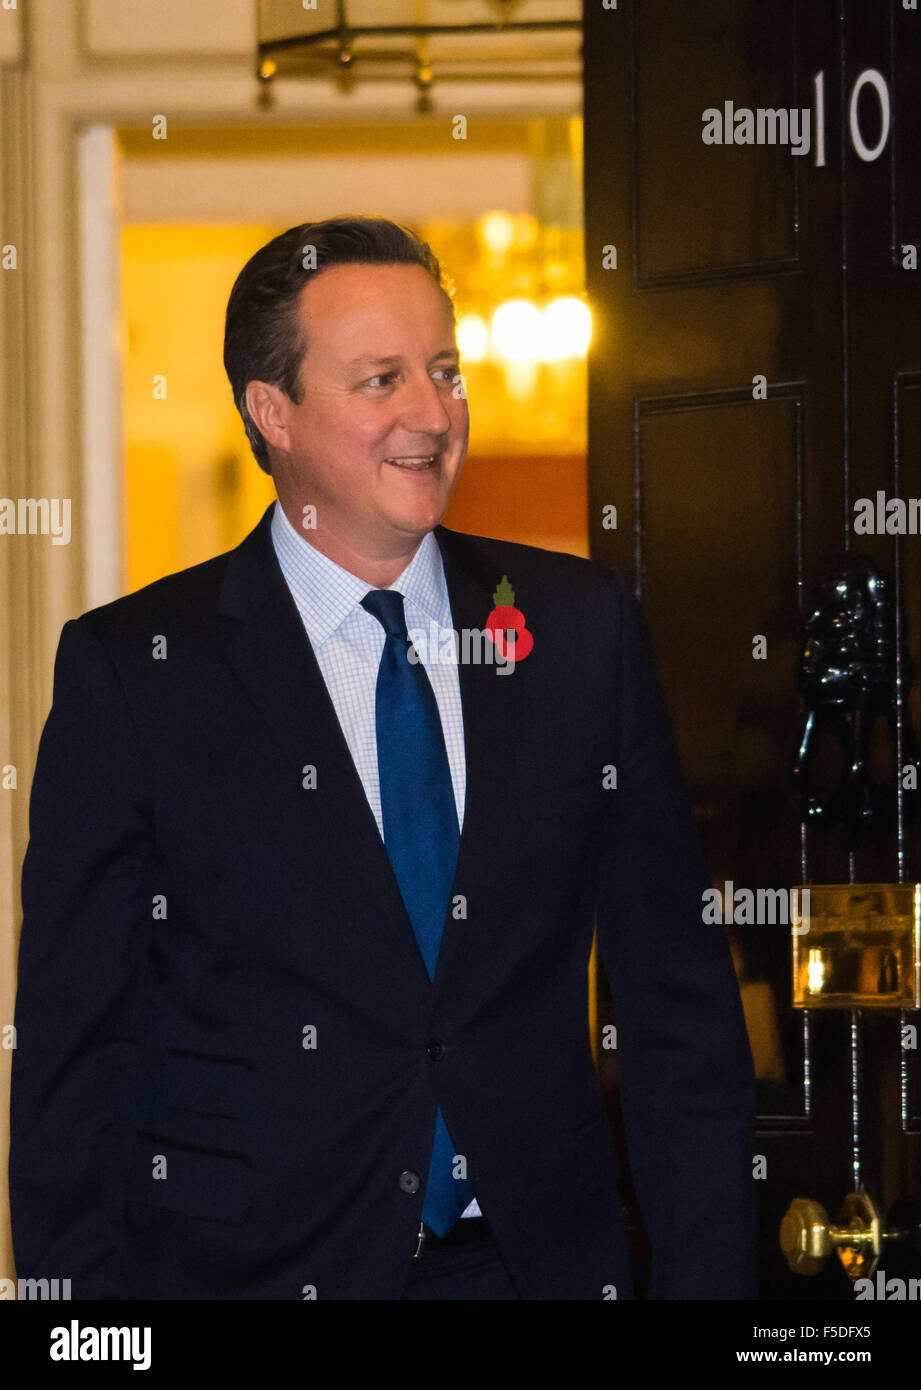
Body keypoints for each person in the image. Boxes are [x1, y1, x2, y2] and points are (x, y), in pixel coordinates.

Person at [9, 215, 757, 1300]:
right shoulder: (137, 674)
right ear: (273, 411)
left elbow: (679, 1015)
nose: (432, 413)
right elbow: (77, 1064)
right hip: (250, 1274)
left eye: (445, 370)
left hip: (532, 1270)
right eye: (381, 379)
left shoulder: (579, 635)